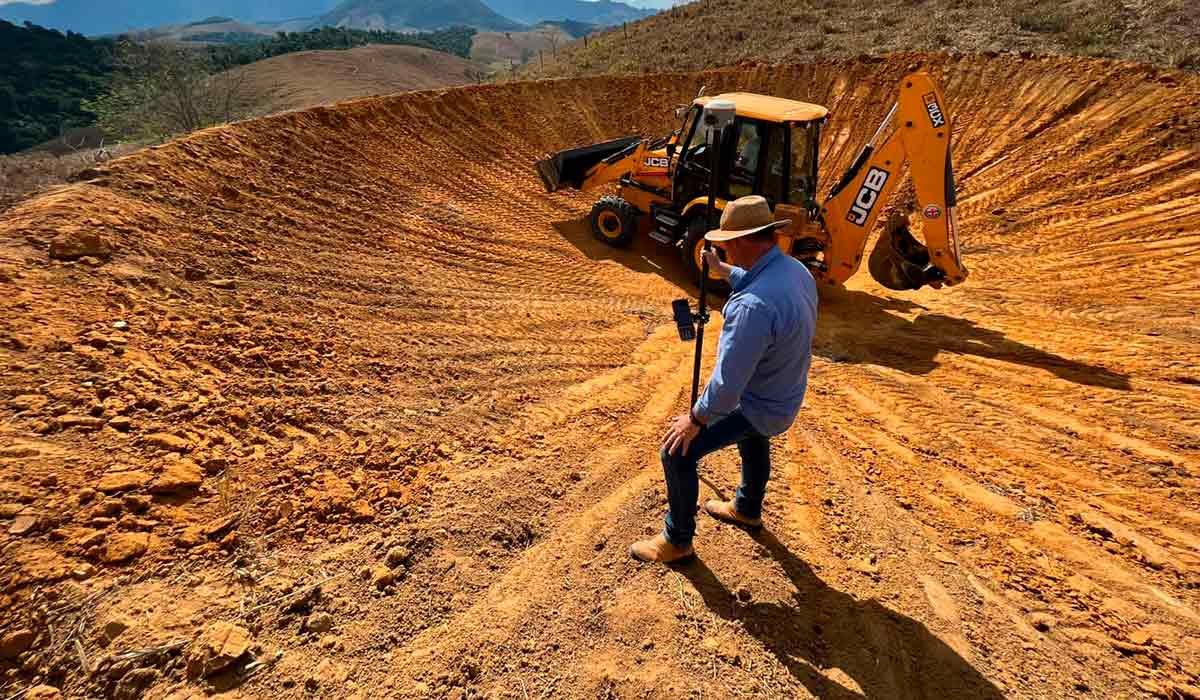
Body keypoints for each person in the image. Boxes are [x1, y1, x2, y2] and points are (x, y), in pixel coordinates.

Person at [630, 195, 818, 563]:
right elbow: (754, 282)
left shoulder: (752, 307)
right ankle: (747, 508)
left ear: (743, 240)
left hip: (759, 403)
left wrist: (696, 419)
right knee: (755, 437)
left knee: (676, 452)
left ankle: (677, 540)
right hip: (785, 393)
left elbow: (728, 385)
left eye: (727, 243)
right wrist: (721, 269)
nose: (725, 249)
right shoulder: (795, 271)